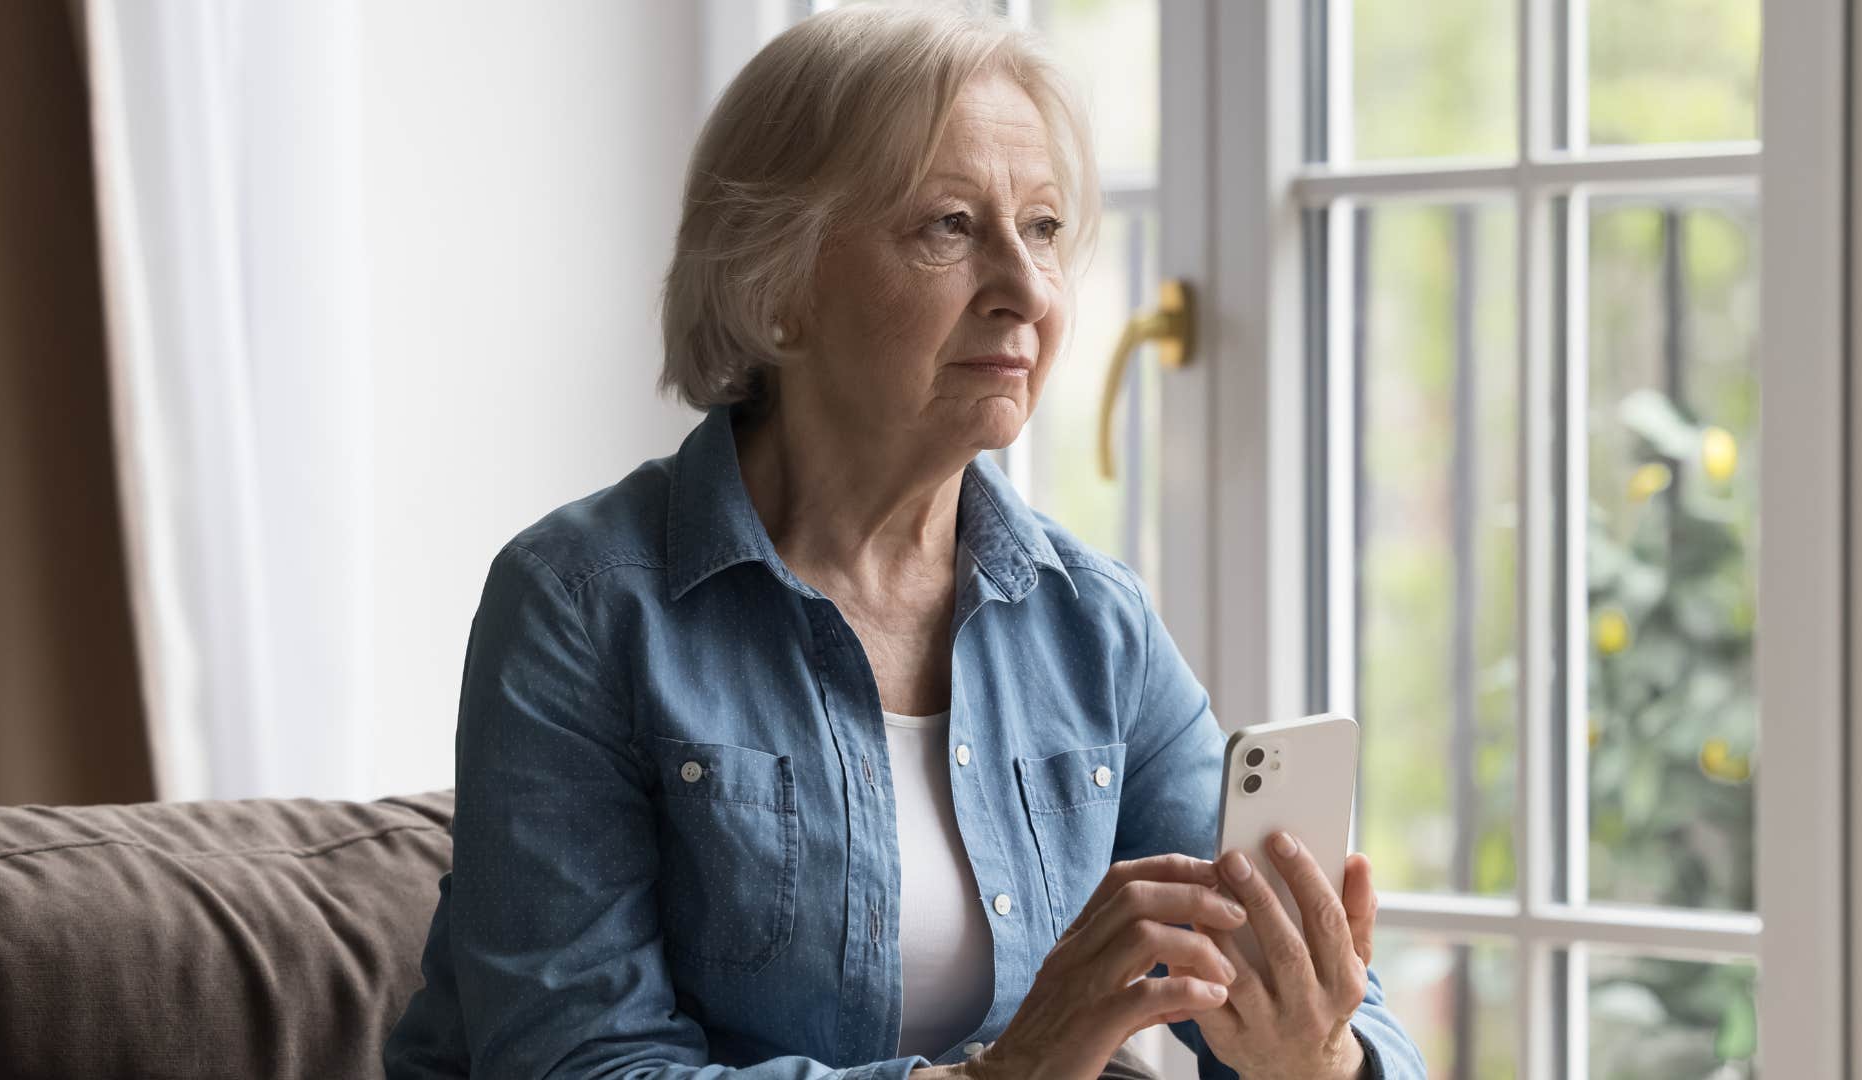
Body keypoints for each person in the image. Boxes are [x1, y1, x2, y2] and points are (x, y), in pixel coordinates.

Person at [382, 6, 1428, 1079]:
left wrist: (1320, 1052)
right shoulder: (580, 606)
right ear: (777, 284)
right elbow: (579, 1065)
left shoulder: (1091, 625)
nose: (1027, 291)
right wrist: (999, 1075)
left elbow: (1342, 1023)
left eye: (1046, 229)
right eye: (950, 226)